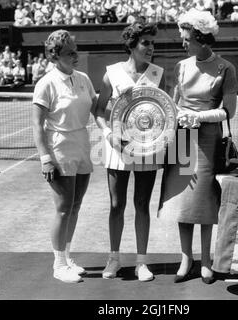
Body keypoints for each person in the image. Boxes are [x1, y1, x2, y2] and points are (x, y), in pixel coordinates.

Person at [158, 9, 238, 284]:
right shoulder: (181, 66)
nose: (182, 42)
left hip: (207, 141)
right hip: (182, 137)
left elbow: (229, 111)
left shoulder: (226, 68)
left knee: (203, 200)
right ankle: (185, 259)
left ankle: (206, 260)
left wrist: (199, 116)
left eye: (186, 38)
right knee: (182, 200)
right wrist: (177, 115)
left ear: (202, 39)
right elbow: (173, 102)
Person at [95, 21, 165, 282]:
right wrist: (109, 134)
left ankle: (141, 263)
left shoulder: (158, 74)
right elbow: (99, 111)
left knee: (142, 205)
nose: (150, 48)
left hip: (149, 147)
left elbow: (165, 114)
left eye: (152, 43)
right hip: (116, 147)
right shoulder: (111, 73)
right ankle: (114, 259)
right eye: (145, 43)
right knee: (116, 204)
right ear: (132, 45)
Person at [32, 29, 97, 283]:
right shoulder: (46, 83)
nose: (75, 55)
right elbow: (37, 125)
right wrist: (45, 158)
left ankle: (67, 257)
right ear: (55, 55)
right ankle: (58, 265)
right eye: (70, 52)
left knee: (76, 206)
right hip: (58, 148)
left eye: (75, 50)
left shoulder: (83, 78)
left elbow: (97, 107)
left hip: (81, 144)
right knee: (62, 208)